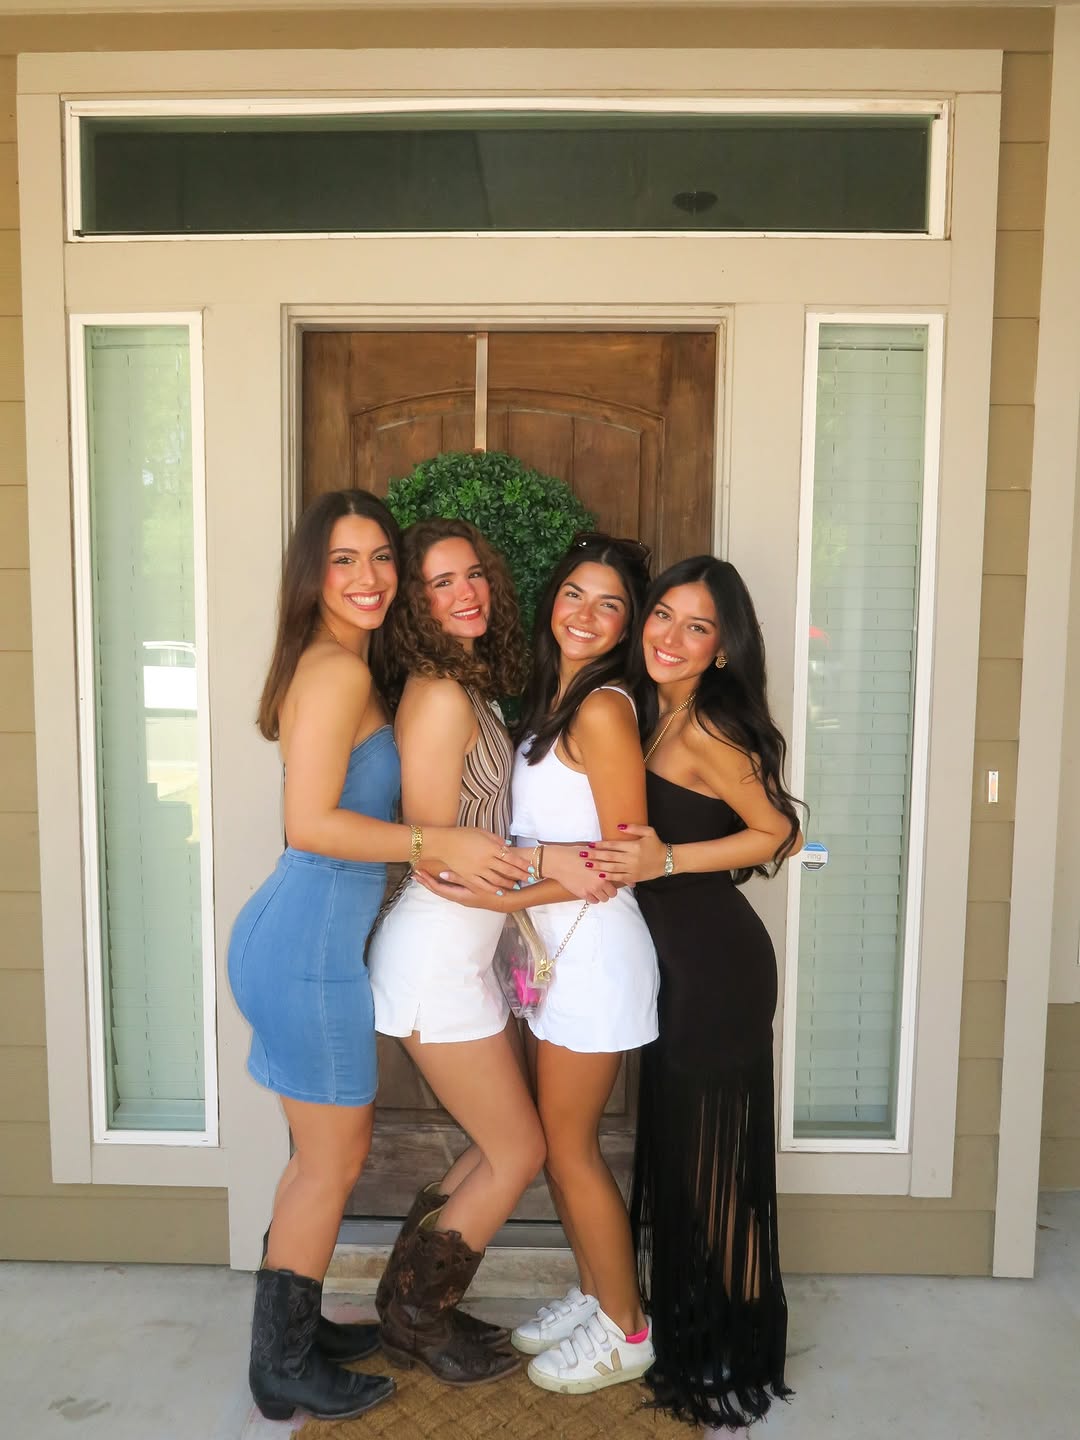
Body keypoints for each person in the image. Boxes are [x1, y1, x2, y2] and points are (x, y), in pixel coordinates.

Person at [226, 491, 527, 1424]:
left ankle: (296, 1330)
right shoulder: (333, 673)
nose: (369, 578)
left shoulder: (344, 665)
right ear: (312, 574)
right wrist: (436, 842)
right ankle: (281, 1366)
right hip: (306, 948)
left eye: (380, 558)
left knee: (316, 1160)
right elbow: (310, 824)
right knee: (331, 1163)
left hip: (303, 937)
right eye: (344, 560)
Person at [420, 533, 659, 1395]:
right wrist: (523, 884)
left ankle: (627, 1330)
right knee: (561, 1146)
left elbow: (622, 855)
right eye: (574, 595)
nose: (586, 616)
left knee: (570, 1148)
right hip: (546, 951)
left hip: (593, 953)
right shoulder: (549, 702)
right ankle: (597, 1293)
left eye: (610, 605)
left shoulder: (602, 709)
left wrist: (507, 887)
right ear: (551, 598)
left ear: (627, 626)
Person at [590, 555, 803, 1429]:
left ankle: (748, 1339)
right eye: (663, 616)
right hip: (677, 967)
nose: (671, 638)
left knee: (717, 1173)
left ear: (723, 648)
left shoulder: (709, 723)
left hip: (717, 969)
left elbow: (780, 833)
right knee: (690, 1157)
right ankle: (709, 1314)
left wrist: (669, 858)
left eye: (698, 626)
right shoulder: (650, 712)